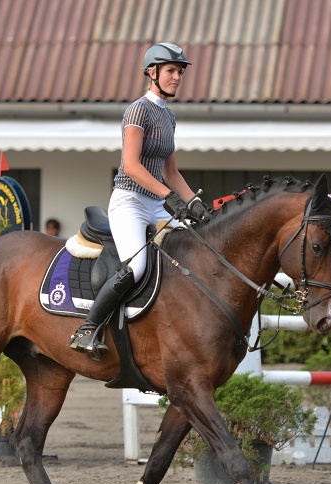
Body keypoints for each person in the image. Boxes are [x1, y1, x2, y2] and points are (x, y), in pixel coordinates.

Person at [69, 42, 209, 360]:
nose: (177, 77)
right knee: (137, 264)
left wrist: (196, 204)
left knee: (196, 247)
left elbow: (170, 172)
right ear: (152, 72)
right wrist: (169, 197)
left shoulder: (169, 117)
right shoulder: (137, 110)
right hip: (130, 201)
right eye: (171, 71)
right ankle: (88, 329)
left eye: (180, 72)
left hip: (157, 203)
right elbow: (131, 165)